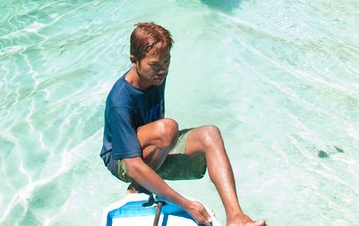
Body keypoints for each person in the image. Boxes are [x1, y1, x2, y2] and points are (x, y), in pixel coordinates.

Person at [100, 23, 267, 226]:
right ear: (134, 61)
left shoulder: (156, 74)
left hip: (155, 148)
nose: (162, 70)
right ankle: (138, 187)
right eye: (155, 65)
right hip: (123, 161)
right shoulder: (120, 100)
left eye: (167, 61)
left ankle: (236, 217)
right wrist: (186, 204)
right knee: (167, 129)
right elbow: (133, 165)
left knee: (210, 134)